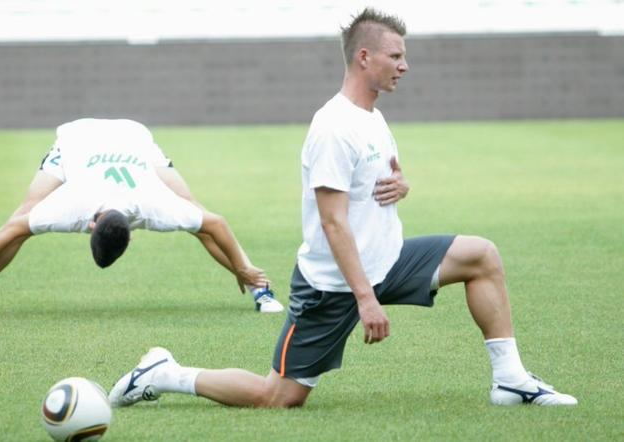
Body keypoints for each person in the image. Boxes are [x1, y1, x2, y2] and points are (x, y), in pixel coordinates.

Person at [106, 8, 577, 408]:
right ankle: (164, 373)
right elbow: (333, 222)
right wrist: (365, 299)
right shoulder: (333, 127)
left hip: (387, 260)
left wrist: (401, 186)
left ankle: (510, 381)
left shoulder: (372, 116)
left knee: (481, 256)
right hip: (332, 285)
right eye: (396, 56)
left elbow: (373, 186)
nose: (405, 65)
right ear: (364, 57)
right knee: (279, 396)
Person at [0, 118, 284, 321]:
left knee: (194, 210)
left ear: (93, 226)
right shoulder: (72, 204)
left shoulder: (153, 204)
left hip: (133, 141)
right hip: (76, 141)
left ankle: (259, 287)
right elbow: (14, 228)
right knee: (24, 214)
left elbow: (216, 224)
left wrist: (242, 268)